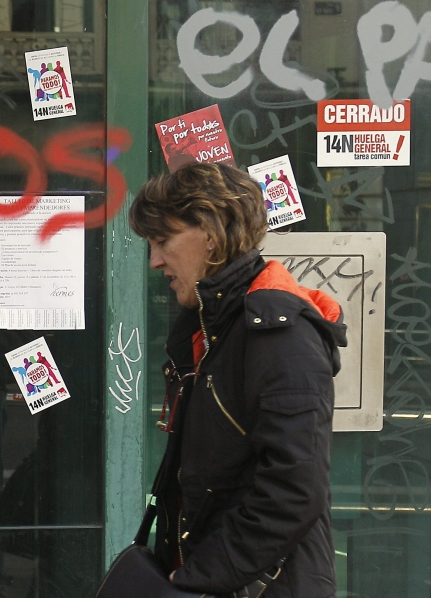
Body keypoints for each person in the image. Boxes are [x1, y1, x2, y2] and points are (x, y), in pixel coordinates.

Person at [129, 162, 347, 598]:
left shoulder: (278, 334)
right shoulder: (212, 327)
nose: (154, 261)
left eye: (163, 241)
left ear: (209, 233)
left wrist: (200, 576)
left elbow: (293, 489)